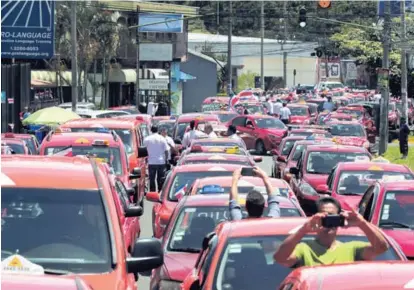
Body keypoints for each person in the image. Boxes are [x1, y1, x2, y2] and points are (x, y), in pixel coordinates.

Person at [274, 196, 389, 268]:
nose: (329, 222)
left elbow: (381, 248)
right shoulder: (304, 249)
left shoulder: (352, 249)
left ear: (340, 218)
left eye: (333, 217)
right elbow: (281, 258)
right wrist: (304, 229)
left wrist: (362, 223)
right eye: (325, 217)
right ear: (315, 217)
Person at [143, 125, 169, 192]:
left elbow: (144, 150)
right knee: (160, 178)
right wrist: (167, 160)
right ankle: (160, 191)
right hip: (161, 162)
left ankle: (152, 192)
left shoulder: (147, 139)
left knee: (152, 178)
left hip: (151, 162)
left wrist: (145, 160)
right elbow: (166, 150)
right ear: (158, 130)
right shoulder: (162, 138)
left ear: (151, 130)